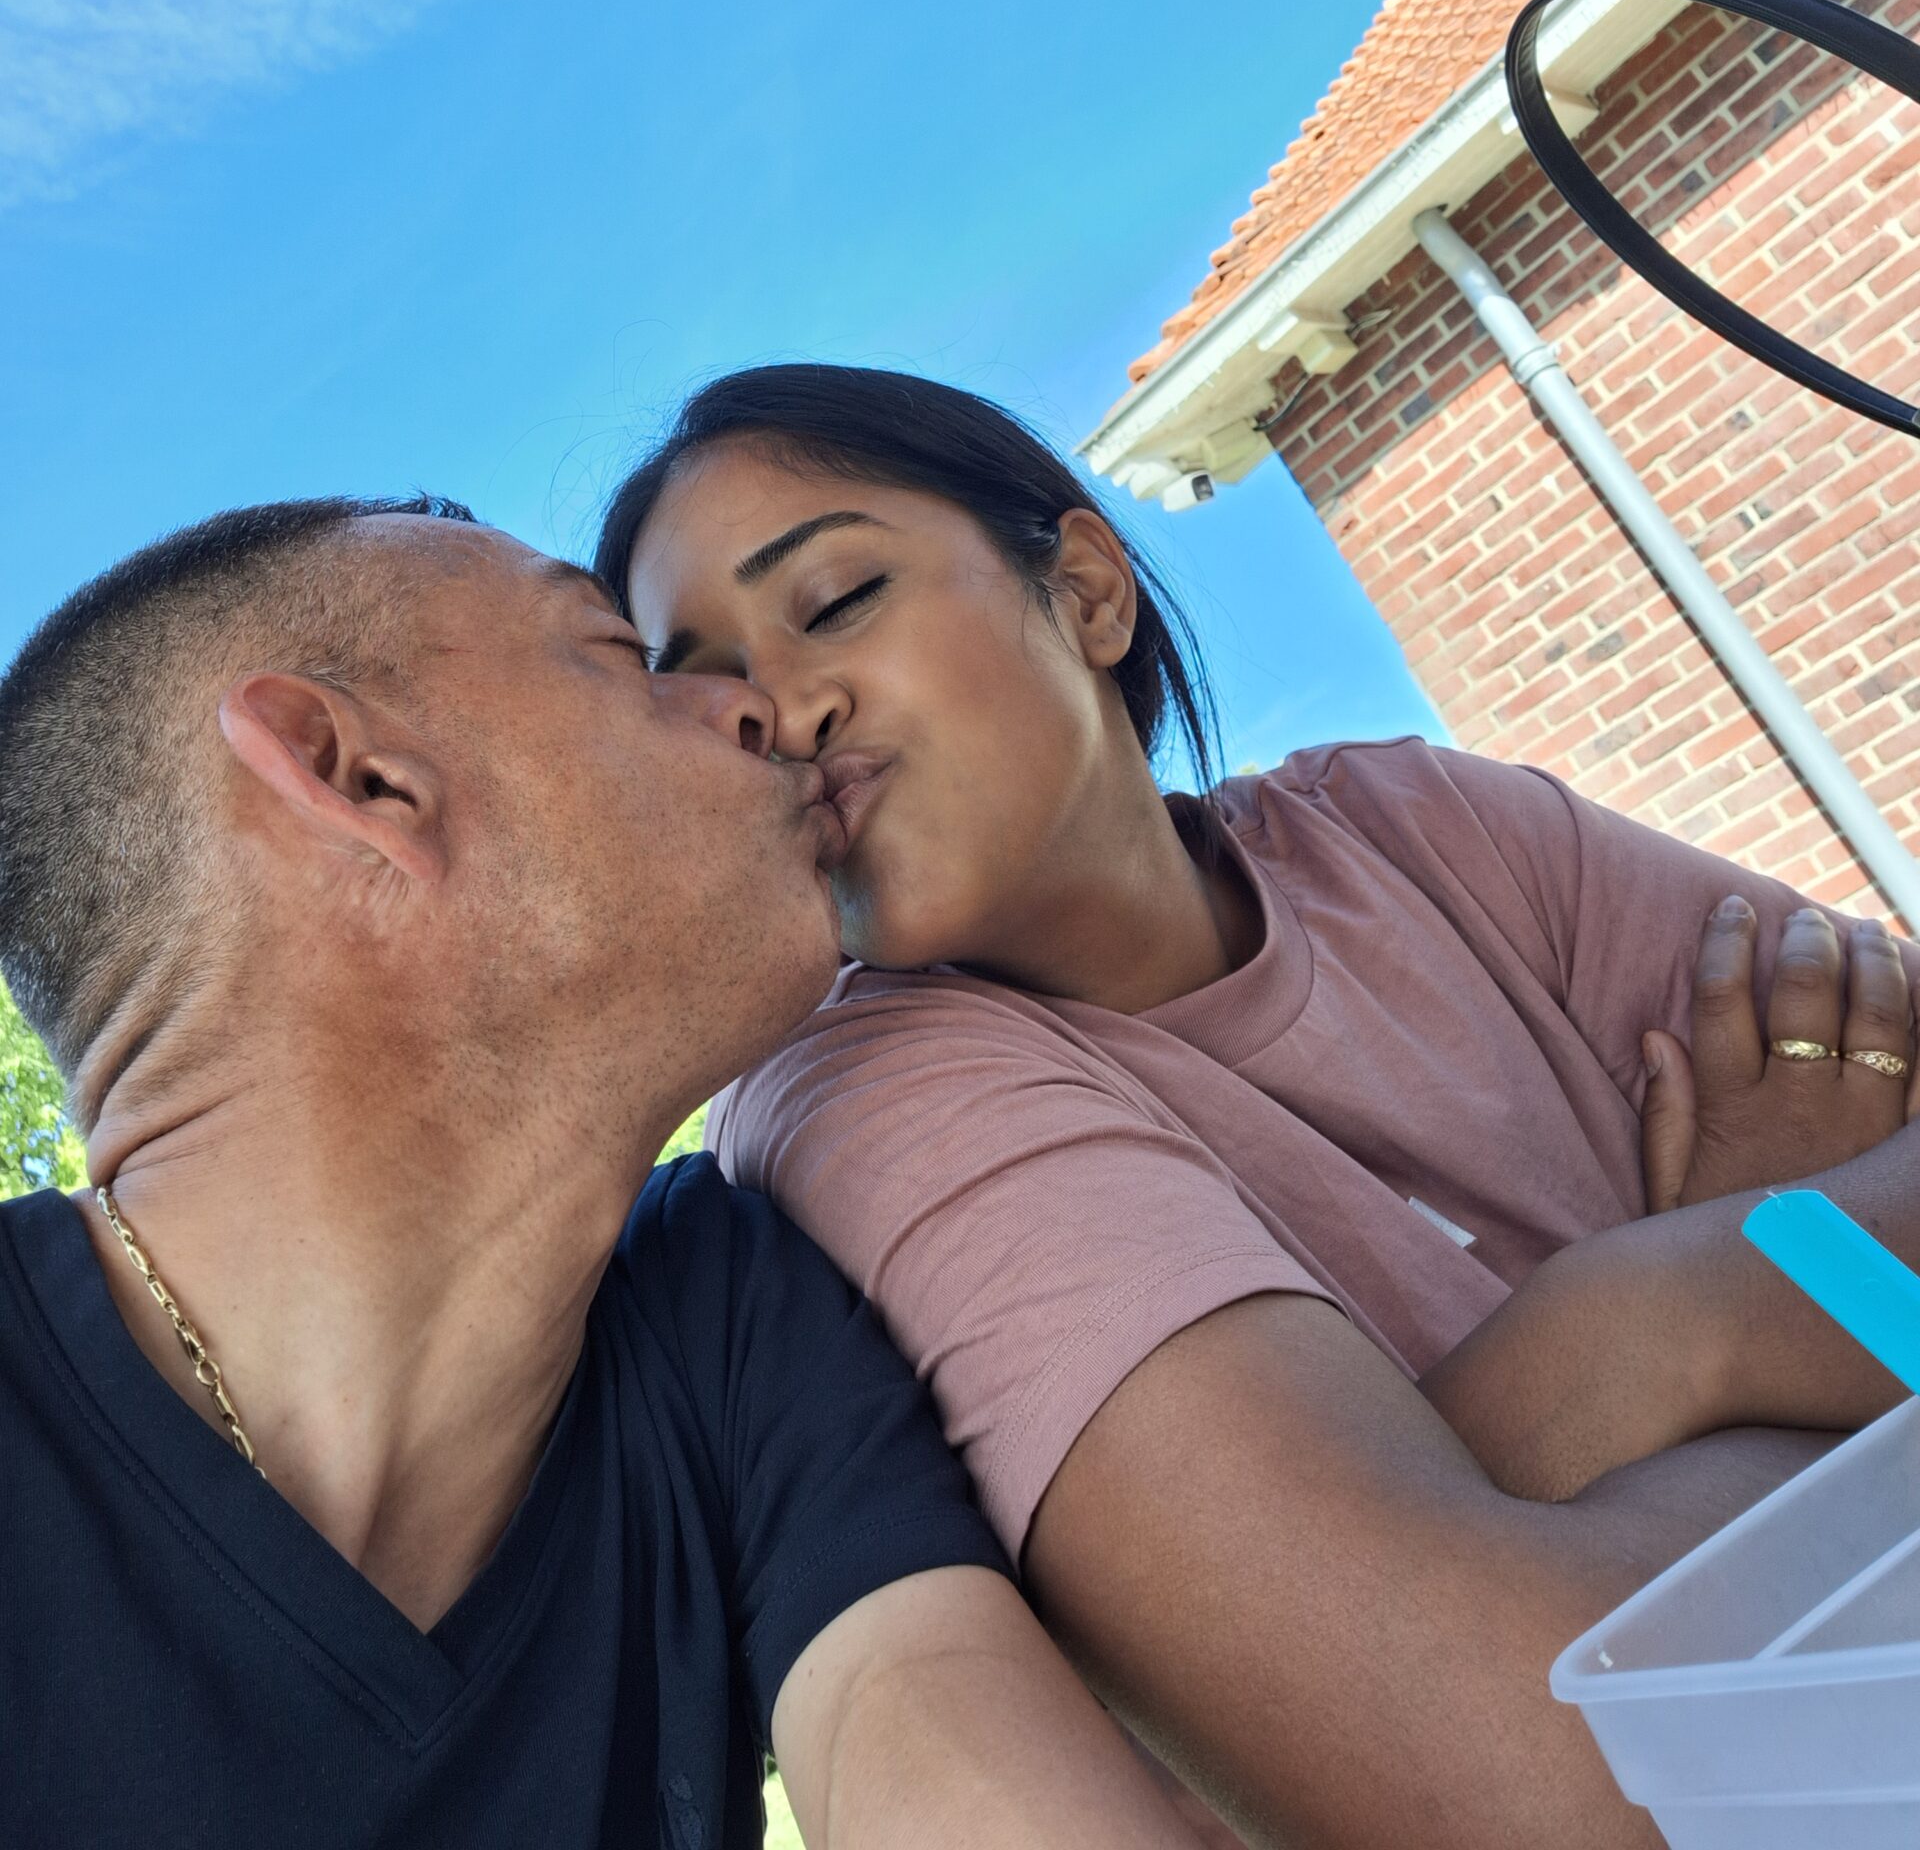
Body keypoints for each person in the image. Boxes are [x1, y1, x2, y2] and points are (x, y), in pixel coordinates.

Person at [603, 362, 1920, 1850]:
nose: (779, 713)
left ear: (1087, 590)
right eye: (708, 697)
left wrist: (1655, 1352)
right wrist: (1718, 1281)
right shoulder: (844, 1092)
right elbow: (1492, 1765)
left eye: (838, 599)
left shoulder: (1424, 828)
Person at [0, 494, 1205, 1850]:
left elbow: (928, 1714)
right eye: (621, 657)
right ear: (360, 780)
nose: (755, 711)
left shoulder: (721, 1313)